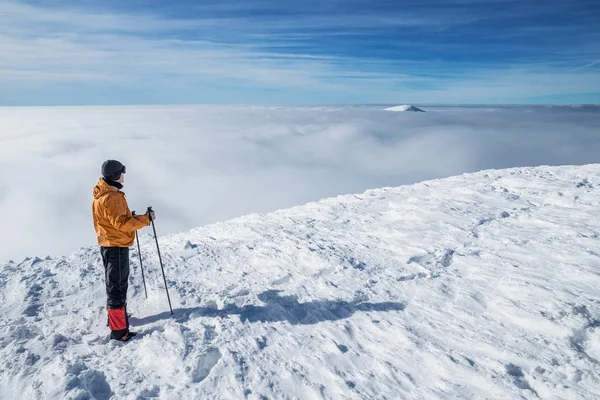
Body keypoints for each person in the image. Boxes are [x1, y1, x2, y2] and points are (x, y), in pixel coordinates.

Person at [92, 160, 155, 342]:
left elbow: (113, 220)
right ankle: (120, 331)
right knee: (117, 288)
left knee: (114, 285)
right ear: (115, 175)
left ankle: (115, 320)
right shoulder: (112, 197)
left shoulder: (103, 193)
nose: (123, 175)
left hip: (109, 244)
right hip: (116, 245)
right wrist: (145, 219)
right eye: (122, 172)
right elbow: (122, 224)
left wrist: (134, 217)